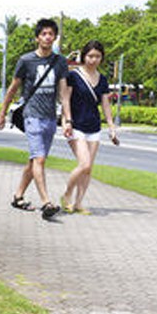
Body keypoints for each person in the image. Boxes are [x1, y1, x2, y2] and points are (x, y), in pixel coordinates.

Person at [0, 18, 71, 219]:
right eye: (44, 34)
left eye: (51, 34)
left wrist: (67, 119)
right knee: (40, 159)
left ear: (55, 37)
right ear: (37, 37)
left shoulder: (60, 62)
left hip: (49, 117)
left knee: (34, 161)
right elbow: (12, 88)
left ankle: (18, 196)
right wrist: (2, 113)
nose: (47, 37)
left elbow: (64, 93)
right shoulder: (26, 61)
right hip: (32, 115)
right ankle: (46, 202)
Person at [60, 40, 118, 214]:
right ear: (84, 56)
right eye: (90, 56)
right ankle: (67, 195)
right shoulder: (74, 76)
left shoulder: (103, 79)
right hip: (76, 125)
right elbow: (66, 100)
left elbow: (105, 104)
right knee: (84, 164)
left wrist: (111, 127)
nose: (93, 59)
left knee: (88, 169)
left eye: (97, 56)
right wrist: (67, 121)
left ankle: (78, 203)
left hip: (94, 126)